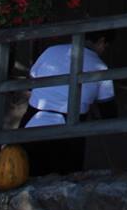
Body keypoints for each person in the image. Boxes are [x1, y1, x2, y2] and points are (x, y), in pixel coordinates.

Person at [22, 30, 116, 172]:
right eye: (105, 46)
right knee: (66, 179)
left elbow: (31, 80)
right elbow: (109, 112)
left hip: (31, 122)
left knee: (21, 170)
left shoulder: (50, 51)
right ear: (101, 41)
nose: (103, 51)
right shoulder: (101, 67)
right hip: (70, 131)